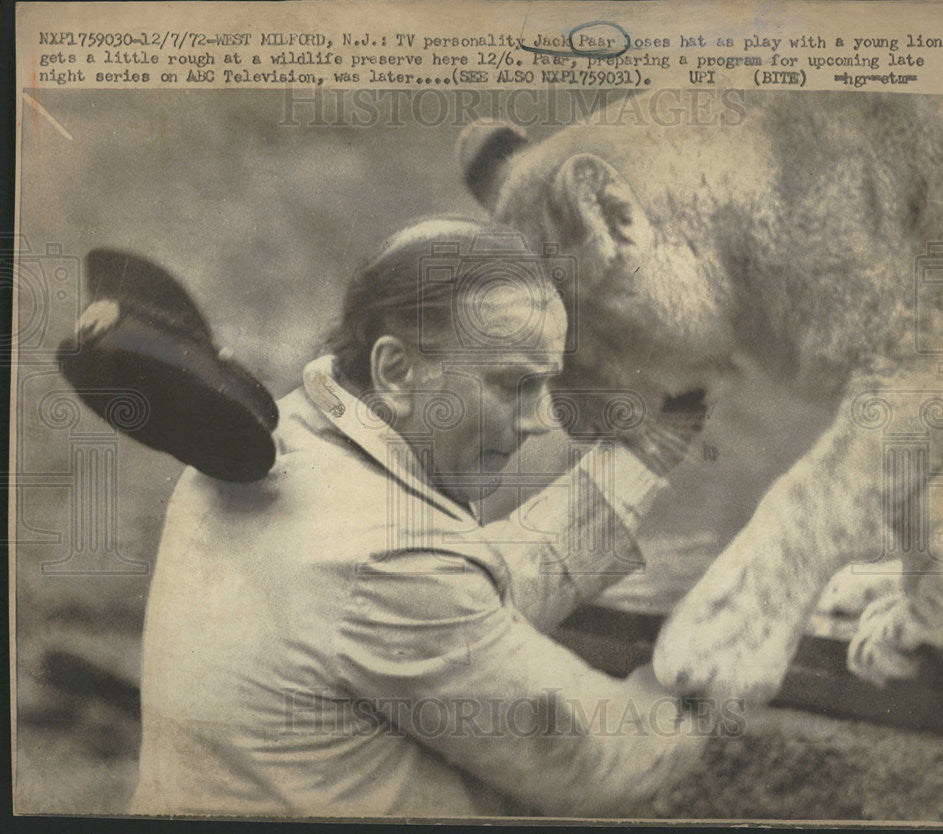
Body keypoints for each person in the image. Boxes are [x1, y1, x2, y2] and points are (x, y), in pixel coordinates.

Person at [131, 218, 707, 819]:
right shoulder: (388, 562)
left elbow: (465, 598)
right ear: (396, 371)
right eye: (515, 384)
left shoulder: (288, 439)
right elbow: (597, 760)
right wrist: (715, 675)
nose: (541, 419)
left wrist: (650, 449)